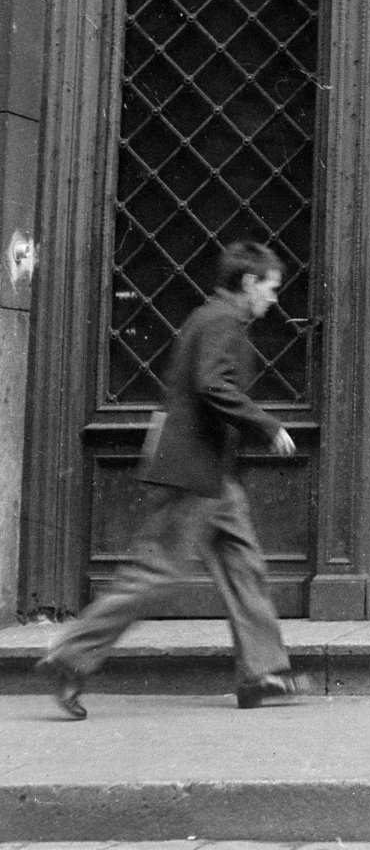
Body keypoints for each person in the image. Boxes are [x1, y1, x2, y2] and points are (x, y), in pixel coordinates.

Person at [36, 240, 308, 719]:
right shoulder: (222, 320)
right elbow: (212, 384)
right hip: (195, 474)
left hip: (211, 474)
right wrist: (267, 425)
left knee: (244, 567)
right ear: (248, 283)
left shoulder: (215, 318)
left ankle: (263, 672)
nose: (274, 298)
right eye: (271, 287)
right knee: (156, 573)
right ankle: (71, 655)